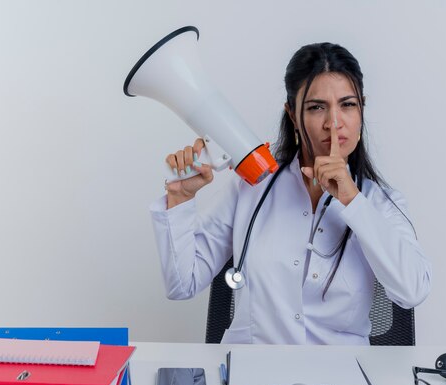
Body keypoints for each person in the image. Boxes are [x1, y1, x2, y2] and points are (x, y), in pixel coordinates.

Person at [150, 42, 431, 345]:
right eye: (316, 107)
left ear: (362, 109)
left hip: (340, 380)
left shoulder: (381, 203)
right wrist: (180, 198)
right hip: (253, 376)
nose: (333, 123)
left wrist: (352, 200)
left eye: (348, 105)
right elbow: (182, 285)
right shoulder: (251, 186)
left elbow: (412, 291)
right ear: (293, 115)